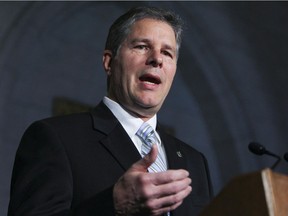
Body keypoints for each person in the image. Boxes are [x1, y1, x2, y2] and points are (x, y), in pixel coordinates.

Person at [8, 6, 213, 216]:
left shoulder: (193, 160)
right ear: (109, 62)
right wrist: (114, 204)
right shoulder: (55, 137)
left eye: (167, 53)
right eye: (142, 46)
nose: (157, 59)